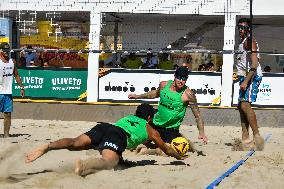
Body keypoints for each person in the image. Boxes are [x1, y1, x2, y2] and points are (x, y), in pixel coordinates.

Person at [25, 103, 185, 176]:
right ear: (149, 117)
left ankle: (48, 146)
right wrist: (178, 156)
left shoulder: (129, 118)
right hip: (117, 135)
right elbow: (165, 148)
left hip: (105, 127)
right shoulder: (151, 130)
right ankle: (84, 166)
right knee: (110, 162)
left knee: (74, 143)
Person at [128, 67, 208, 153]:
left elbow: (197, 116)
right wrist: (138, 96)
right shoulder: (164, 85)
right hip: (155, 122)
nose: (181, 81)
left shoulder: (188, 94)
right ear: (174, 76)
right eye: (179, 78)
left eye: (184, 79)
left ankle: (182, 140)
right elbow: (155, 93)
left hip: (169, 129)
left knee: (170, 150)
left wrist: (201, 133)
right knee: (142, 110)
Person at [236, 18, 264, 150]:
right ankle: (245, 138)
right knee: (241, 106)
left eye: (243, 27)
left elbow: (254, 64)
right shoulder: (243, 41)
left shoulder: (249, 41)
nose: (241, 29)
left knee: (245, 105)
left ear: (248, 29)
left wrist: (246, 81)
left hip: (251, 76)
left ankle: (257, 137)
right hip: (244, 76)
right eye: (239, 27)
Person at [0, 42, 25, 137]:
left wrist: (22, 87)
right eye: (4, 50)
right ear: (0, 50)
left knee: (7, 114)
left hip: (7, 92)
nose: (6, 52)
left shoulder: (12, 61)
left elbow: (17, 75)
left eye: (7, 50)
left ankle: (6, 135)